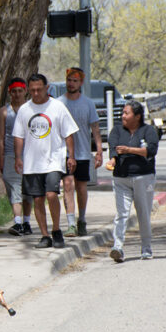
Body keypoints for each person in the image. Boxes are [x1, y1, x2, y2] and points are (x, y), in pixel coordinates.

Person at [12, 74, 78, 250]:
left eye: (39, 89)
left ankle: (56, 229)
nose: (35, 93)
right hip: (32, 162)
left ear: (46, 88)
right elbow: (18, 136)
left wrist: (71, 156)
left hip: (54, 160)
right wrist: (18, 157)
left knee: (51, 194)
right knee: (38, 199)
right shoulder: (25, 110)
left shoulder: (58, 107)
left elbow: (69, 133)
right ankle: (45, 235)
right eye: (32, 90)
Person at [106, 100, 159, 262]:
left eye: (126, 113)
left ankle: (146, 248)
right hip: (121, 178)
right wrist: (113, 160)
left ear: (137, 116)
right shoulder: (117, 130)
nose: (123, 116)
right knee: (122, 214)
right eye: (122, 113)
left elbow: (151, 150)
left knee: (143, 213)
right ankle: (118, 247)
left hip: (144, 178)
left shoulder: (148, 130)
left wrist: (129, 150)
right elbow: (114, 148)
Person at [57, 67, 103, 236]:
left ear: (81, 83)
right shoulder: (59, 103)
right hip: (64, 153)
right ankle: (70, 224)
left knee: (81, 187)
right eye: (69, 80)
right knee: (68, 185)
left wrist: (99, 151)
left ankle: (81, 219)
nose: (71, 83)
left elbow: (95, 128)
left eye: (75, 81)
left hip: (83, 152)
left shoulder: (88, 103)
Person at [0, 78, 33, 235]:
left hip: (30, 156)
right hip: (11, 154)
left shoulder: (32, 110)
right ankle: (17, 222)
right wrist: (1, 158)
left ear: (25, 91)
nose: (17, 94)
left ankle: (26, 222)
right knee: (14, 189)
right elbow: (0, 137)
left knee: (28, 191)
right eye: (14, 91)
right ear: (10, 93)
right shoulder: (4, 112)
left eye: (20, 91)